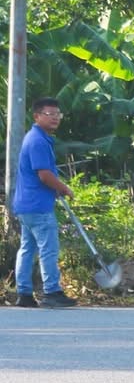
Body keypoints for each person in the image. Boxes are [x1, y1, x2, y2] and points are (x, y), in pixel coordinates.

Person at [11, 97, 78, 308]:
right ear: (37, 116)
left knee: (27, 248)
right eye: (50, 114)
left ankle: (24, 294)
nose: (55, 118)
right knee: (48, 248)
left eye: (58, 114)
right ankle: (51, 292)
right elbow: (44, 175)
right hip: (38, 205)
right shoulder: (38, 141)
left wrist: (54, 188)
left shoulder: (37, 138)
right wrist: (64, 188)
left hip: (26, 204)